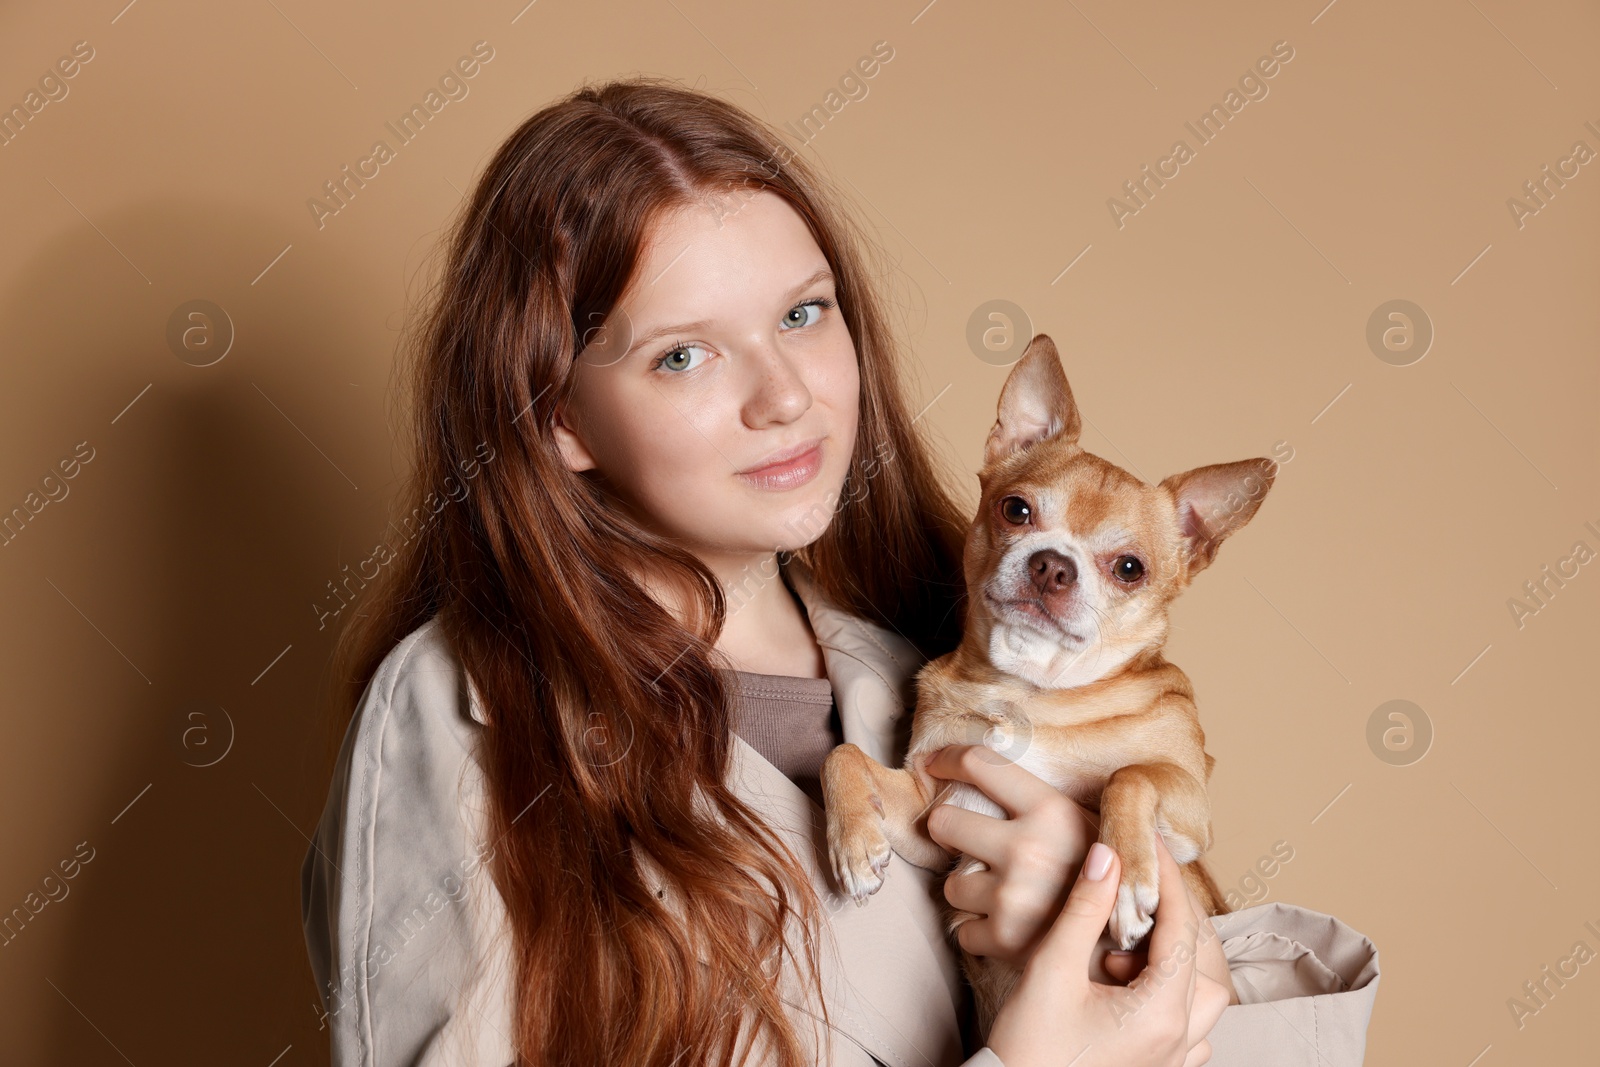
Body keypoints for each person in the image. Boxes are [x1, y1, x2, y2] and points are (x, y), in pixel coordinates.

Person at [300, 76, 1379, 1066]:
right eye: (682, 352)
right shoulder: (469, 714)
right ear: (560, 415)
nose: (782, 394)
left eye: (802, 313)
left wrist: (1106, 918)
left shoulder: (941, 667)